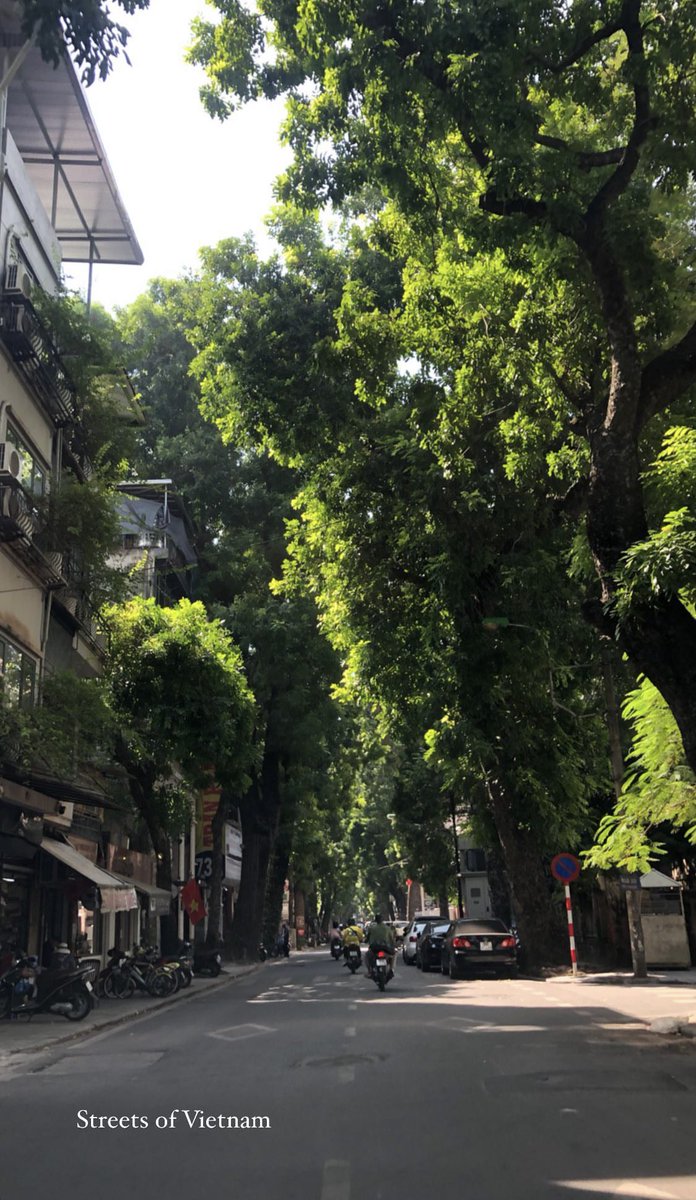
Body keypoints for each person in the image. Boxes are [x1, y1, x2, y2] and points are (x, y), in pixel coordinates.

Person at [365, 913, 396, 979]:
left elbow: (367, 938)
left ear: (376, 920)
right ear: (382, 920)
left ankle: (369, 971)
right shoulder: (387, 928)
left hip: (375, 949)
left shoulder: (372, 928)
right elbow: (392, 939)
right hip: (386, 948)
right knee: (394, 955)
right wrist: (393, 946)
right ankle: (391, 969)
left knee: (367, 956)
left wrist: (367, 941)